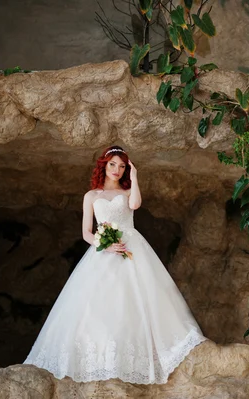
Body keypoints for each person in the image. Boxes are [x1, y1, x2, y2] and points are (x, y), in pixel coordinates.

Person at [24, 145, 206, 384]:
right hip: (104, 251)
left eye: (121, 166)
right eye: (113, 164)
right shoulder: (91, 196)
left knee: (141, 299)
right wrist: (104, 246)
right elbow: (87, 233)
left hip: (132, 247)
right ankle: (101, 363)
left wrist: (135, 177)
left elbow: (136, 205)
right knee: (97, 305)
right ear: (104, 165)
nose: (116, 170)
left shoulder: (128, 191)